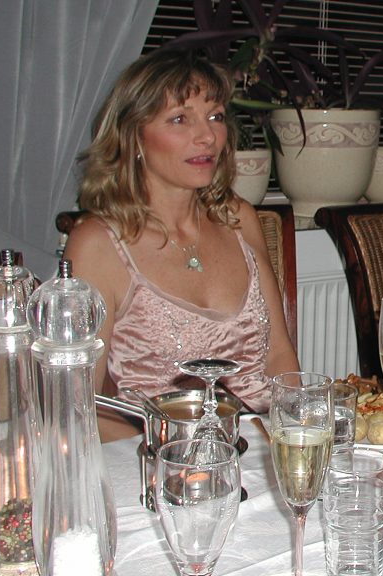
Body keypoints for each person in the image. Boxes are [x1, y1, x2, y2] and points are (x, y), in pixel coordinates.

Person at [63, 49, 298, 420]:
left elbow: (280, 358)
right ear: (133, 137)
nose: (207, 136)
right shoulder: (97, 244)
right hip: (154, 450)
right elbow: (81, 409)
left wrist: (297, 432)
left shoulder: (238, 218)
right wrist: (173, 446)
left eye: (215, 116)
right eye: (179, 119)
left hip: (261, 444)